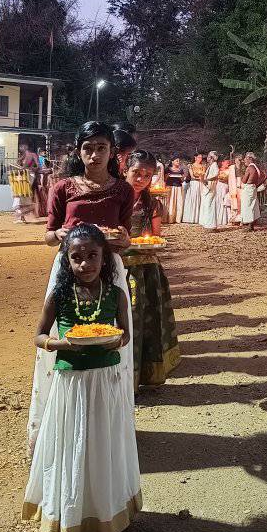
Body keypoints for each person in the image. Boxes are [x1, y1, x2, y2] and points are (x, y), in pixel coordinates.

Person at [22, 224, 142, 532]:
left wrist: (113, 339)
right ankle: (61, 522)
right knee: (68, 447)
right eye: (76, 258)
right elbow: (39, 335)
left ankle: (100, 520)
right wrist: (58, 344)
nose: (85, 264)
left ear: (104, 258)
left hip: (104, 383)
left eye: (92, 256)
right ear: (67, 260)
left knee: (99, 447)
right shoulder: (59, 295)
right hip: (70, 382)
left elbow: (125, 335)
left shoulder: (116, 294)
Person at [28, 121, 136, 453]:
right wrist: (58, 235)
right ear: (79, 151)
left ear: (111, 151)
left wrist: (122, 239)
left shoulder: (123, 190)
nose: (94, 155)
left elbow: (127, 238)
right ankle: (55, 427)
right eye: (88, 148)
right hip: (68, 268)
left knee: (114, 340)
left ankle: (108, 429)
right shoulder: (62, 188)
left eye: (101, 148)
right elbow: (48, 235)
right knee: (63, 337)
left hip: (110, 270)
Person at [123, 150, 181, 386]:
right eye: (136, 173)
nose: (141, 179)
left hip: (147, 269)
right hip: (121, 267)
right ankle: (124, 375)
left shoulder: (152, 204)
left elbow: (156, 237)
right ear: (125, 170)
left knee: (147, 320)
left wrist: (148, 243)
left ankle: (146, 373)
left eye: (147, 175)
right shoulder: (114, 199)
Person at [13, 144, 41, 224]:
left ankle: (23, 216)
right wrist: (19, 168)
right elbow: (18, 165)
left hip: (30, 175)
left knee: (23, 194)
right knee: (19, 195)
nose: (20, 148)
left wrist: (30, 169)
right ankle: (21, 217)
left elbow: (38, 166)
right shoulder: (22, 157)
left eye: (21, 147)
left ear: (25, 147)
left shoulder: (33, 155)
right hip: (22, 176)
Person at [239, 152, 264, 231]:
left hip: (248, 188)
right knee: (253, 206)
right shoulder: (256, 167)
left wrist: (241, 177)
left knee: (247, 206)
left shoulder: (250, 168)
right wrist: (257, 185)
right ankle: (251, 225)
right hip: (253, 188)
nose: (244, 160)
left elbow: (244, 180)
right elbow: (264, 176)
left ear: (250, 159)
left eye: (246, 158)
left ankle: (250, 226)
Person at [198, 151, 220, 230]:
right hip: (207, 186)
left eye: (208, 157)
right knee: (207, 205)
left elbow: (216, 175)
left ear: (212, 158)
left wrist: (206, 179)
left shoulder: (214, 165)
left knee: (209, 205)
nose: (207, 158)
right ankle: (206, 224)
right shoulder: (210, 166)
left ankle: (211, 225)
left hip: (210, 187)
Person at [181, 153, 205, 223]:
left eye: (201, 158)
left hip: (201, 184)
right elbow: (192, 176)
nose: (200, 159)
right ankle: (191, 217)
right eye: (199, 157)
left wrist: (202, 178)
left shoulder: (203, 166)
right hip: (194, 183)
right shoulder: (191, 166)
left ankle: (199, 217)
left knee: (200, 198)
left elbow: (203, 174)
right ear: (195, 158)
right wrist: (198, 177)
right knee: (193, 198)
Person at [164, 157, 186, 224]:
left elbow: (182, 180)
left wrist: (182, 178)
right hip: (170, 186)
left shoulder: (181, 170)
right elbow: (165, 179)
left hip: (178, 187)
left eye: (179, 161)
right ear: (172, 162)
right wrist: (167, 176)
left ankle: (177, 218)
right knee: (169, 202)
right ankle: (168, 218)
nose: (178, 162)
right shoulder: (168, 169)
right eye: (177, 161)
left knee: (178, 202)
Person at [34, 148, 53, 219]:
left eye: (45, 152)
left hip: (40, 173)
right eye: (44, 152)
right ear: (40, 152)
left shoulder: (41, 158)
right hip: (41, 173)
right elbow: (44, 167)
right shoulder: (42, 159)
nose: (45, 153)